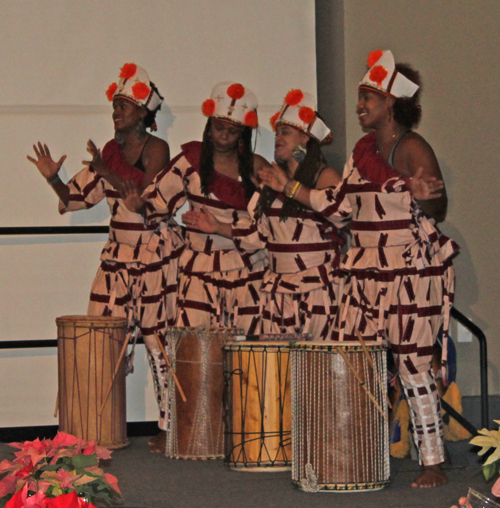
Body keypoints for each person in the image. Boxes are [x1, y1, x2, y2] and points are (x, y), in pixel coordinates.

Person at [259, 50, 458, 488]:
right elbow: (340, 208)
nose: (359, 105)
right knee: (354, 360)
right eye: (360, 97)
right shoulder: (362, 150)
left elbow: (438, 207)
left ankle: (433, 462)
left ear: (391, 102)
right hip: (365, 271)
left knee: (411, 366)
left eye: (368, 97)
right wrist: (287, 186)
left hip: (409, 272)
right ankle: (356, 451)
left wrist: (423, 193)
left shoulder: (412, 147)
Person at [27, 63, 182, 451]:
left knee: (158, 342)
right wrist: (53, 179)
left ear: (144, 113)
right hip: (116, 257)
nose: (116, 111)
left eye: (125, 105)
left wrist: (103, 170)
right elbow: (75, 199)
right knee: (98, 337)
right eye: (115, 105)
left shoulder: (156, 148)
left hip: (153, 256)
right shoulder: (110, 152)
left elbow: (144, 198)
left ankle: (170, 427)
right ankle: (95, 424)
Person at [184, 90, 347, 338]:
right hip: (279, 292)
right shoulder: (271, 180)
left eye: (285, 133)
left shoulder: (325, 177)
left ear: (305, 138)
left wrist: (290, 188)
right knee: (279, 371)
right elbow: (258, 234)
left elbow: (342, 214)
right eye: (277, 132)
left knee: (318, 369)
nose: (277, 138)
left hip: (320, 288)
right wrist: (217, 227)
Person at [131, 81, 269, 333]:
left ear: (243, 135)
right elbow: (158, 201)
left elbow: (267, 228)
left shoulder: (257, 167)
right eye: (218, 128)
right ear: (208, 127)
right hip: (199, 269)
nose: (223, 136)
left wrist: (220, 227)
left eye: (232, 131)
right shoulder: (190, 161)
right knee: (196, 352)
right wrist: (140, 206)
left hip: (249, 270)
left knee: (248, 357)